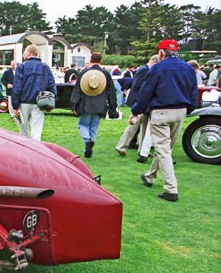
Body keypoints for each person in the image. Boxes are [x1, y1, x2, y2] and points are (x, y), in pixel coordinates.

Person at [131, 39, 198, 202]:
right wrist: (189, 109)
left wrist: (136, 111)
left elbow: (146, 92)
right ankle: (150, 176)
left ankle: (171, 189)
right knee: (165, 147)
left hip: (161, 111)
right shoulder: (188, 68)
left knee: (163, 149)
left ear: (161, 53)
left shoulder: (158, 68)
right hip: (181, 111)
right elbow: (193, 92)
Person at [70, 52, 118, 158]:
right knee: (93, 127)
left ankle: (87, 141)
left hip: (85, 104)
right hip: (100, 104)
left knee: (82, 124)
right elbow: (111, 92)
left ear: (90, 60)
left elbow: (77, 90)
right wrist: (113, 107)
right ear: (101, 61)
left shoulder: (84, 73)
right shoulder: (105, 74)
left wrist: (74, 104)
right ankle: (89, 144)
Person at [115, 55, 159, 160]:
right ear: (154, 62)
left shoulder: (147, 70)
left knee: (144, 126)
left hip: (145, 102)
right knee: (135, 123)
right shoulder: (144, 70)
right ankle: (123, 145)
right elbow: (138, 84)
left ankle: (142, 149)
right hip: (141, 101)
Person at [11, 45, 57, 141]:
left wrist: (15, 104)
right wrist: (52, 103)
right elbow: (52, 85)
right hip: (40, 101)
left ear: (29, 53)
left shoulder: (22, 67)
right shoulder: (45, 67)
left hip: (24, 102)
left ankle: (24, 148)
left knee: (23, 128)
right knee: (37, 129)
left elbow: (17, 87)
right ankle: (36, 149)